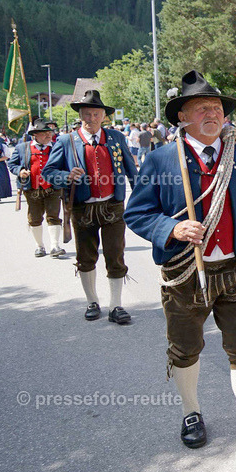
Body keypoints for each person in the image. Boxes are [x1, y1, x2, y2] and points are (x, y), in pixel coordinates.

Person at [125, 71, 236, 462]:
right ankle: (191, 413)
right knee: (185, 348)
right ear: (183, 117)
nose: (213, 114)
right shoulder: (162, 158)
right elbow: (137, 212)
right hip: (184, 272)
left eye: (217, 108)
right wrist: (172, 227)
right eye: (202, 108)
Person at [43, 90, 138, 324]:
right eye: (87, 114)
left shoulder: (116, 138)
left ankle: (116, 305)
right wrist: (66, 175)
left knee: (116, 255)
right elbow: (49, 172)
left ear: (104, 116)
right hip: (82, 208)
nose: (91, 119)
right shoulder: (66, 140)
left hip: (113, 206)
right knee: (86, 257)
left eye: (96, 114)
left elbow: (131, 171)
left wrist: (142, 196)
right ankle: (92, 301)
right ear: (81, 115)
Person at [8, 118, 66, 258]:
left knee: (53, 216)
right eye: (44, 134)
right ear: (35, 135)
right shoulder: (23, 148)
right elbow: (12, 164)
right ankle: (39, 246)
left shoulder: (56, 147)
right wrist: (20, 170)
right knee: (34, 218)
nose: (48, 136)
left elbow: (64, 165)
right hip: (32, 189)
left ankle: (54, 246)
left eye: (49, 133)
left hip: (53, 188)